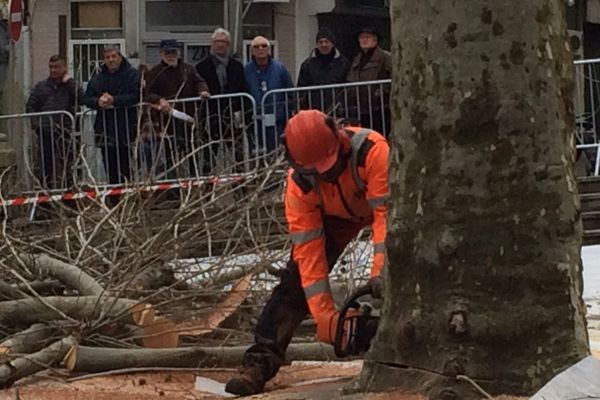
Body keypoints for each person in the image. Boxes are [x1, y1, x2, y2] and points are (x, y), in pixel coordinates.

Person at [225, 110, 389, 396]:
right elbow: (309, 255)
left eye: (329, 165)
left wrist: (380, 281)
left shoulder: (372, 151)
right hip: (333, 217)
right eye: (316, 171)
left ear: (338, 139)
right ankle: (260, 360)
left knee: (402, 266)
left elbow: (387, 222)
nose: (325, 173)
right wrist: (325, 317)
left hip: (377, 206)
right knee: (295, 282)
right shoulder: (299, 186)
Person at [145, 39, 210, 178]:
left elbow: (199, 81)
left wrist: (203, 90)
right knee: (171, 161)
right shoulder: (155, 72)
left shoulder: (188, 69)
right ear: (161, 54)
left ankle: (194, 188)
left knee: (192, 158)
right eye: (167, 52)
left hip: (189, 121)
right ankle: (173, 194)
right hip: (167, 123)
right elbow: (147, 93)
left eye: (173, 52)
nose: (171, 55)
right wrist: (159, 100)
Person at [83, 46, 140, 185]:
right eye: (108, 57)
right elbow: (86, 98)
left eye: (114, 56)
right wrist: (98, 102)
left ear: (120, 57)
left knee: (126, 166)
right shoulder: (98, 78)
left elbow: (136, 96)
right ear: (104, 60)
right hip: (105, 128)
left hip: (125, 126)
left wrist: (114, 100)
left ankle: (127, 198)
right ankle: (114, 199)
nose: (111, 60)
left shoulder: (131, 74)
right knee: (109, 167)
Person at [26, 55, 84, 189]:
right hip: (46, 131)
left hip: (65, 131)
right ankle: (45, 195)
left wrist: (70, 82)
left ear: (64, 68)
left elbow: (82, 99)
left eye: (57, 67)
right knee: (46, 165)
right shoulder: (41, 87)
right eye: (51, 67)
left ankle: (70, 193)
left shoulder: (70, 86)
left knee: (68, 164)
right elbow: (30, 106)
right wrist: (37, 125)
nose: (53, 70)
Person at [195, 28, 247, 173]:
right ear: (212, 43)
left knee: (238, 156)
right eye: (217, 41)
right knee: (208, 158)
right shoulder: (201, 67)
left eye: (224, 42)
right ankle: (207, 191)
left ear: (228, 44)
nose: (220, 45)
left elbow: (243, 89)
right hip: (210, 118)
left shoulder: (237, 66)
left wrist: (243, 114)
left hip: (232, 117)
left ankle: (240, 190)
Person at [244, 36, 293, 154]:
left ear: (269, 50)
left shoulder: (280, 68)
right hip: (254, 122)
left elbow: (290, 92)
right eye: (256, 47)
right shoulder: (245, 70)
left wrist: (289, 114)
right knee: (257, 156)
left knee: (276, 154)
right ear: (252, 52)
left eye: (264, 46)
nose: (260, 49)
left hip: (277, 121)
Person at [347, 25, 392, 135]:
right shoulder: (357, 59)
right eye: (362, 37)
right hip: (361, 107)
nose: (364, 40)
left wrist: (381, 92)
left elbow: (393, 76)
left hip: (379, 107)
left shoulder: (385, 57)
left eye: (367, 37)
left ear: (375, 40)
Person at [297, 27, 350, 112]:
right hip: (313, 110)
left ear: (332, 43)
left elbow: (348, 86)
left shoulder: (344, 63)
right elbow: (301, 89)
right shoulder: (307, 65)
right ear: (316, 44)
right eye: (320, 42)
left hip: (337, 110)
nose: (324, 44)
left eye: (326, 41)